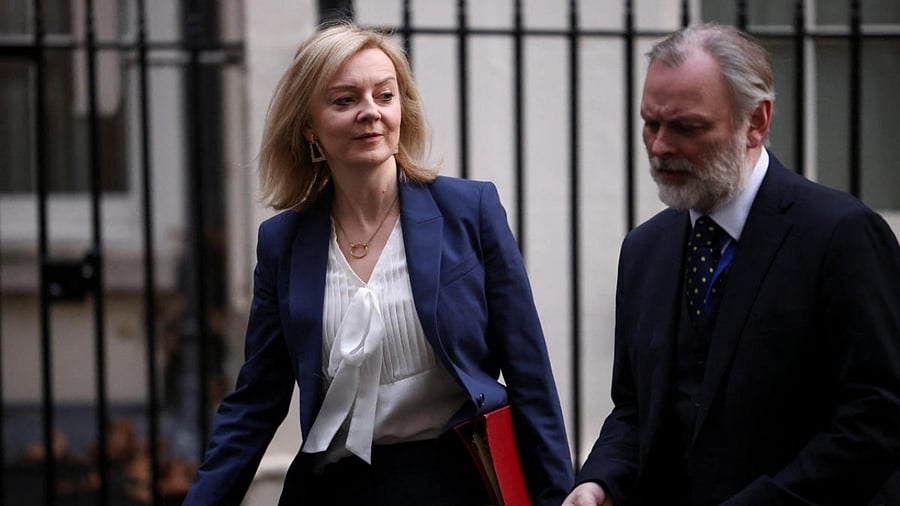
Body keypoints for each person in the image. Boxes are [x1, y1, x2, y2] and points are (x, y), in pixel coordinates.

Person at [182, 21, 573, 506]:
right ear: (309, 126)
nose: (370, 112)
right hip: (333, 488)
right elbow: (256, 401)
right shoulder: (282, 242)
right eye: (345, 100)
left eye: (384, 96)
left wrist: (558, 494)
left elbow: (530, 371)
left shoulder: (469, 211)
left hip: (454, 480)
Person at [564, 23, 900, 506]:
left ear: (757, 122)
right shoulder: (645, 250)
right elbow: (636, 410)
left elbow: (877, 420)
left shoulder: (841, 236)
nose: (659, 147)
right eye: (650, 123)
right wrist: (600, 483)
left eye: (686, 127)